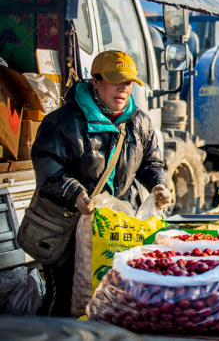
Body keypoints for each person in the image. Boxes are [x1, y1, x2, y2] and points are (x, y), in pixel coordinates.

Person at [20, 51, 171, 317]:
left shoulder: (141, 123)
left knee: (113, 297)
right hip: (66, 227)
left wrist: (158, 184)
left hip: (112, 229)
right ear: (96, 81)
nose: (124, 89)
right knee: (65, 299)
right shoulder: (62, 122)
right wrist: (77, 194)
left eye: (129, 82)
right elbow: (49, 168)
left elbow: (151, 163)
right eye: (116, 81)